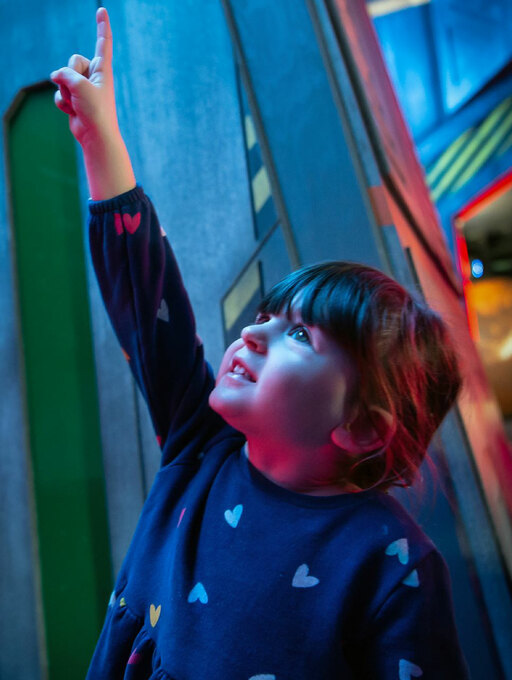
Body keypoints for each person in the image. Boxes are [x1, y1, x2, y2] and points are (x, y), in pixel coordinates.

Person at [51, 7, 470, 679]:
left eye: (299, 333)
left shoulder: (393, 564)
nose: (254, 329)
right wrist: (100, 139)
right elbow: (148, 296)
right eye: (271, 314)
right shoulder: (199, 446)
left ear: (363, 427)